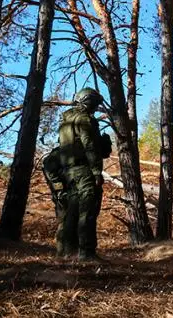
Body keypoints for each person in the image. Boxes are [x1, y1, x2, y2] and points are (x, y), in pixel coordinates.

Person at [56, 87, 110, 261]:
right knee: (87, 211)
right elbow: (89, 146)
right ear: (88, 101)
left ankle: (66, 252)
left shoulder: (66, 121)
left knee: (72, 211)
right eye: (94, 104)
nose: (95, 107)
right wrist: (96, 172)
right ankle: (86, 252)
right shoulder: (85, 119)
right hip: (84, 171)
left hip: (69, 172)